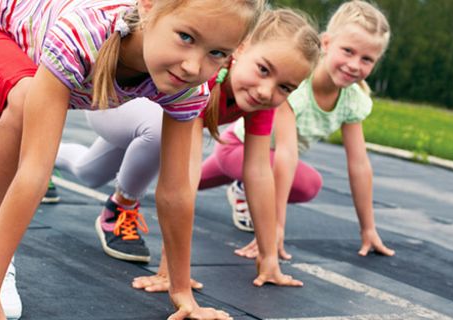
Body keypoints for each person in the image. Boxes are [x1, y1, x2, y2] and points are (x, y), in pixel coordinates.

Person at [0, 0, 264, 319]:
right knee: (22, 101)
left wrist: (182, 292)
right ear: (147, 7)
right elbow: (36, 170)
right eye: (185, 36)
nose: (193, 66)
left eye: (217, 53)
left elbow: (175, 192)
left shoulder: (189, 87)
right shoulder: (83, 36)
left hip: (25, 57)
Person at [55, 9, 321, 290]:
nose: (267, 91)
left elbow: (258, 173)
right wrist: (170, 272)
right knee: (162, 135)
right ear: (241, 49)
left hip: (141, 123)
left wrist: (269, 259)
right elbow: (185, 178)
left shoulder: (261, 101)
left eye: (285, 87)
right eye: (263, 69)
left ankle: (55, 157)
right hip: (111, 104)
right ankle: (121, 206)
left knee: (89, 172)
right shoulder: (202, 76)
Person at [212, 0, 396, 261]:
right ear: (326, 43)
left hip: (259, 158)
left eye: (367, 59)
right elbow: (286, 153)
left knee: (188, 183)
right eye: (348, 51)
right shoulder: (292, 84)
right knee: (300, 179)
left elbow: (359, 164)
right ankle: (243, 187)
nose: (355, 65)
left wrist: (368, 229)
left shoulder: (353, 100)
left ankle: (239, 185)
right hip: (240, 149)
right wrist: (275, 226)